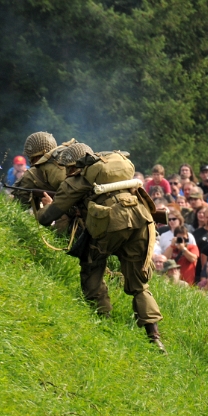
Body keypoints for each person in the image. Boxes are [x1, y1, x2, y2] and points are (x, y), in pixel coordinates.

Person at [37, 143, 165, 351]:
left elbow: (47, 218)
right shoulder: (115, 172)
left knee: (91, 267)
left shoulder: (77, 181)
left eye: (67, 168)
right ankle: (155, 337)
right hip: (141, 220)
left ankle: (103, 323)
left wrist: (41, 208)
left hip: (112, 224)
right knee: (139, 285)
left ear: (73, 166)